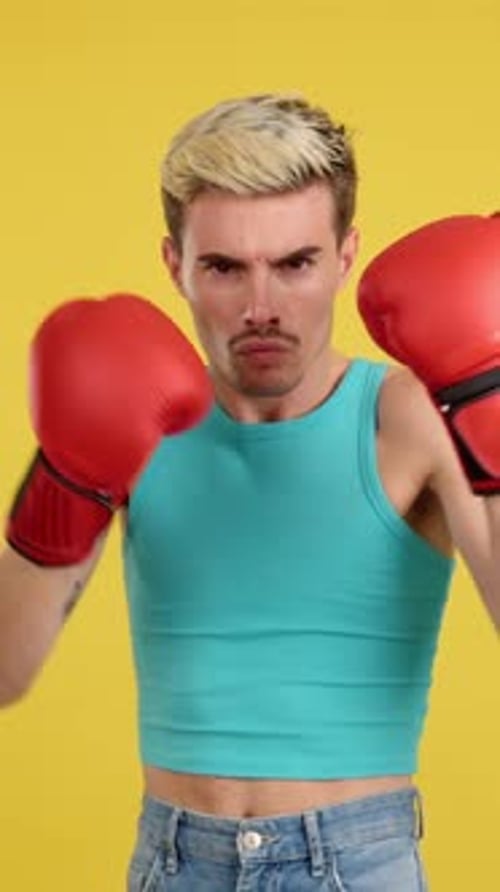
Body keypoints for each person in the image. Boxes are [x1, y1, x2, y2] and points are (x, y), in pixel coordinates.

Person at [1, 94, 498, 892]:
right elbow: (5, 671)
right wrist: (62, 472)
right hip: (172, 861)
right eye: (225, 268)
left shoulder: (402, 414)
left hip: (354, 864)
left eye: (296, 263)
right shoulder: (130, 410)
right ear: (175, 265)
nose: (260, 308)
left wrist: (490, 397)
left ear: (345, 257)